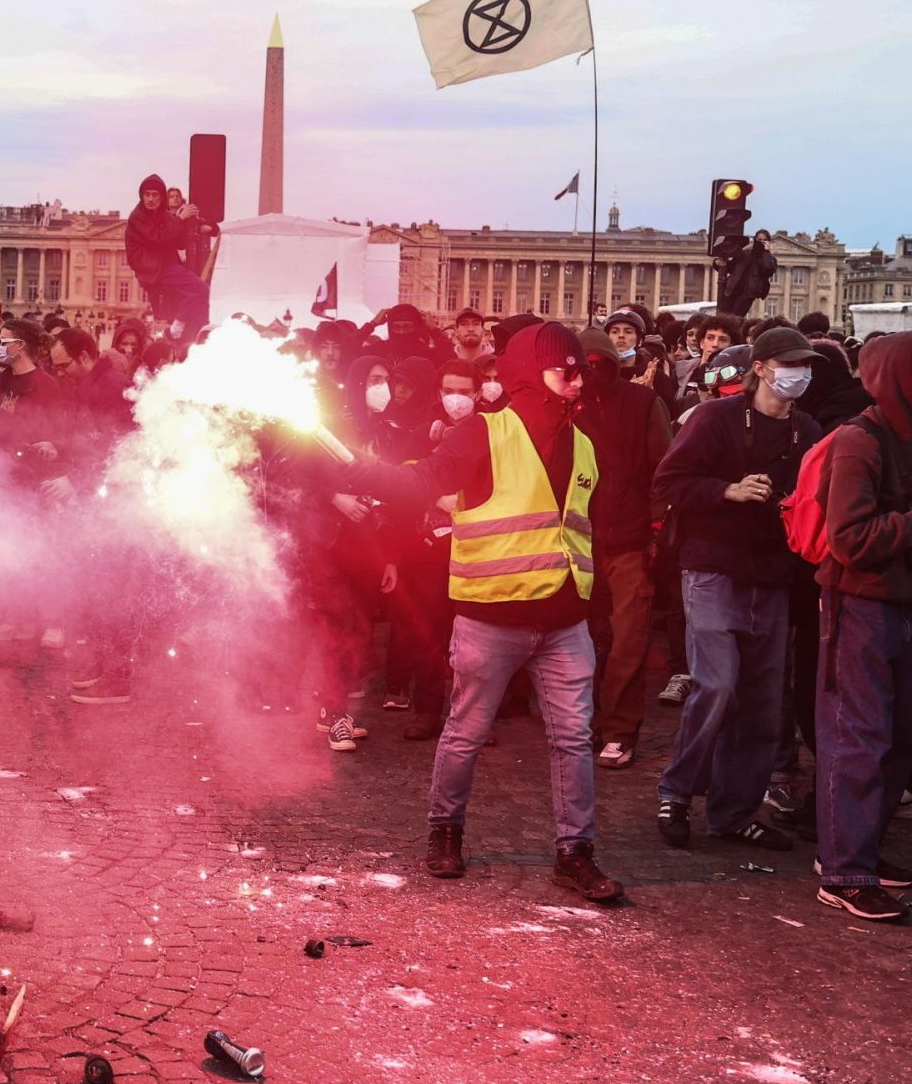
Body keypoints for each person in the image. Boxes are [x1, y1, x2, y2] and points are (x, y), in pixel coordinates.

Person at [332, 323, 622, 901]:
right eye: (564, 370)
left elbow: (584, 528)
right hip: (491, 617)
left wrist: (597, 606)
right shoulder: (482, 433)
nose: (576, 380)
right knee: (465, 732)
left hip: (565, 622)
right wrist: (366, 473)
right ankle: (445, 832)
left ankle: (576, 851)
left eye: (580, 371)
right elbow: (424, 481)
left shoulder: (585, 443)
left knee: (573, 739)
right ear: (529, 374)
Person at [810, 333, 912, 922]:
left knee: (899, 737)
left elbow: (900, 517)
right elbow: (849, 541)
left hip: (901, 601)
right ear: (901, 378)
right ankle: (844, 871)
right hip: (860, 605)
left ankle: (858, 850)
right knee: (858, 736)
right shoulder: (860, 439)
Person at [649, 324, 821, 850]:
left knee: (763, 702)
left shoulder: (808, 429)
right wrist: (728, 490)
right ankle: (677, 793)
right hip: (712, 568)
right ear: (761, 369)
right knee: (717, 686)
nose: (799, 374)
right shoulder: (715, 418)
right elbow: (668, 482)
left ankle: (734, 811)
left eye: (805, 365)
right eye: (790, 364)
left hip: (773, 576)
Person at [576, 328, 672, 767]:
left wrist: (655, 527)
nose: (594, 372)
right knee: (579, 641)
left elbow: (663, 468)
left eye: (602, 364)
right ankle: (583, 722)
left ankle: (618, 729)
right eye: (587, 365)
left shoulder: (643, 403)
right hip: (578, 540)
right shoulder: (566, 406)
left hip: (629, 540)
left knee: (629, 640)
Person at [124, 175, 211, 335]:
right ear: (142, 196)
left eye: (154, 195)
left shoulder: (163, 214)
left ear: (161, 197)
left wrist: (192, 226)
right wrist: (180, 218)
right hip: (151, 266)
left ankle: (178, 329)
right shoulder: (137, 217)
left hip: (162, 263)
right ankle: (176, 328)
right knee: (200, 288)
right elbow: (159, 238)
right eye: (147, 194)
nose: (150, 199)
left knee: (194, 293)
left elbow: (179, 242)